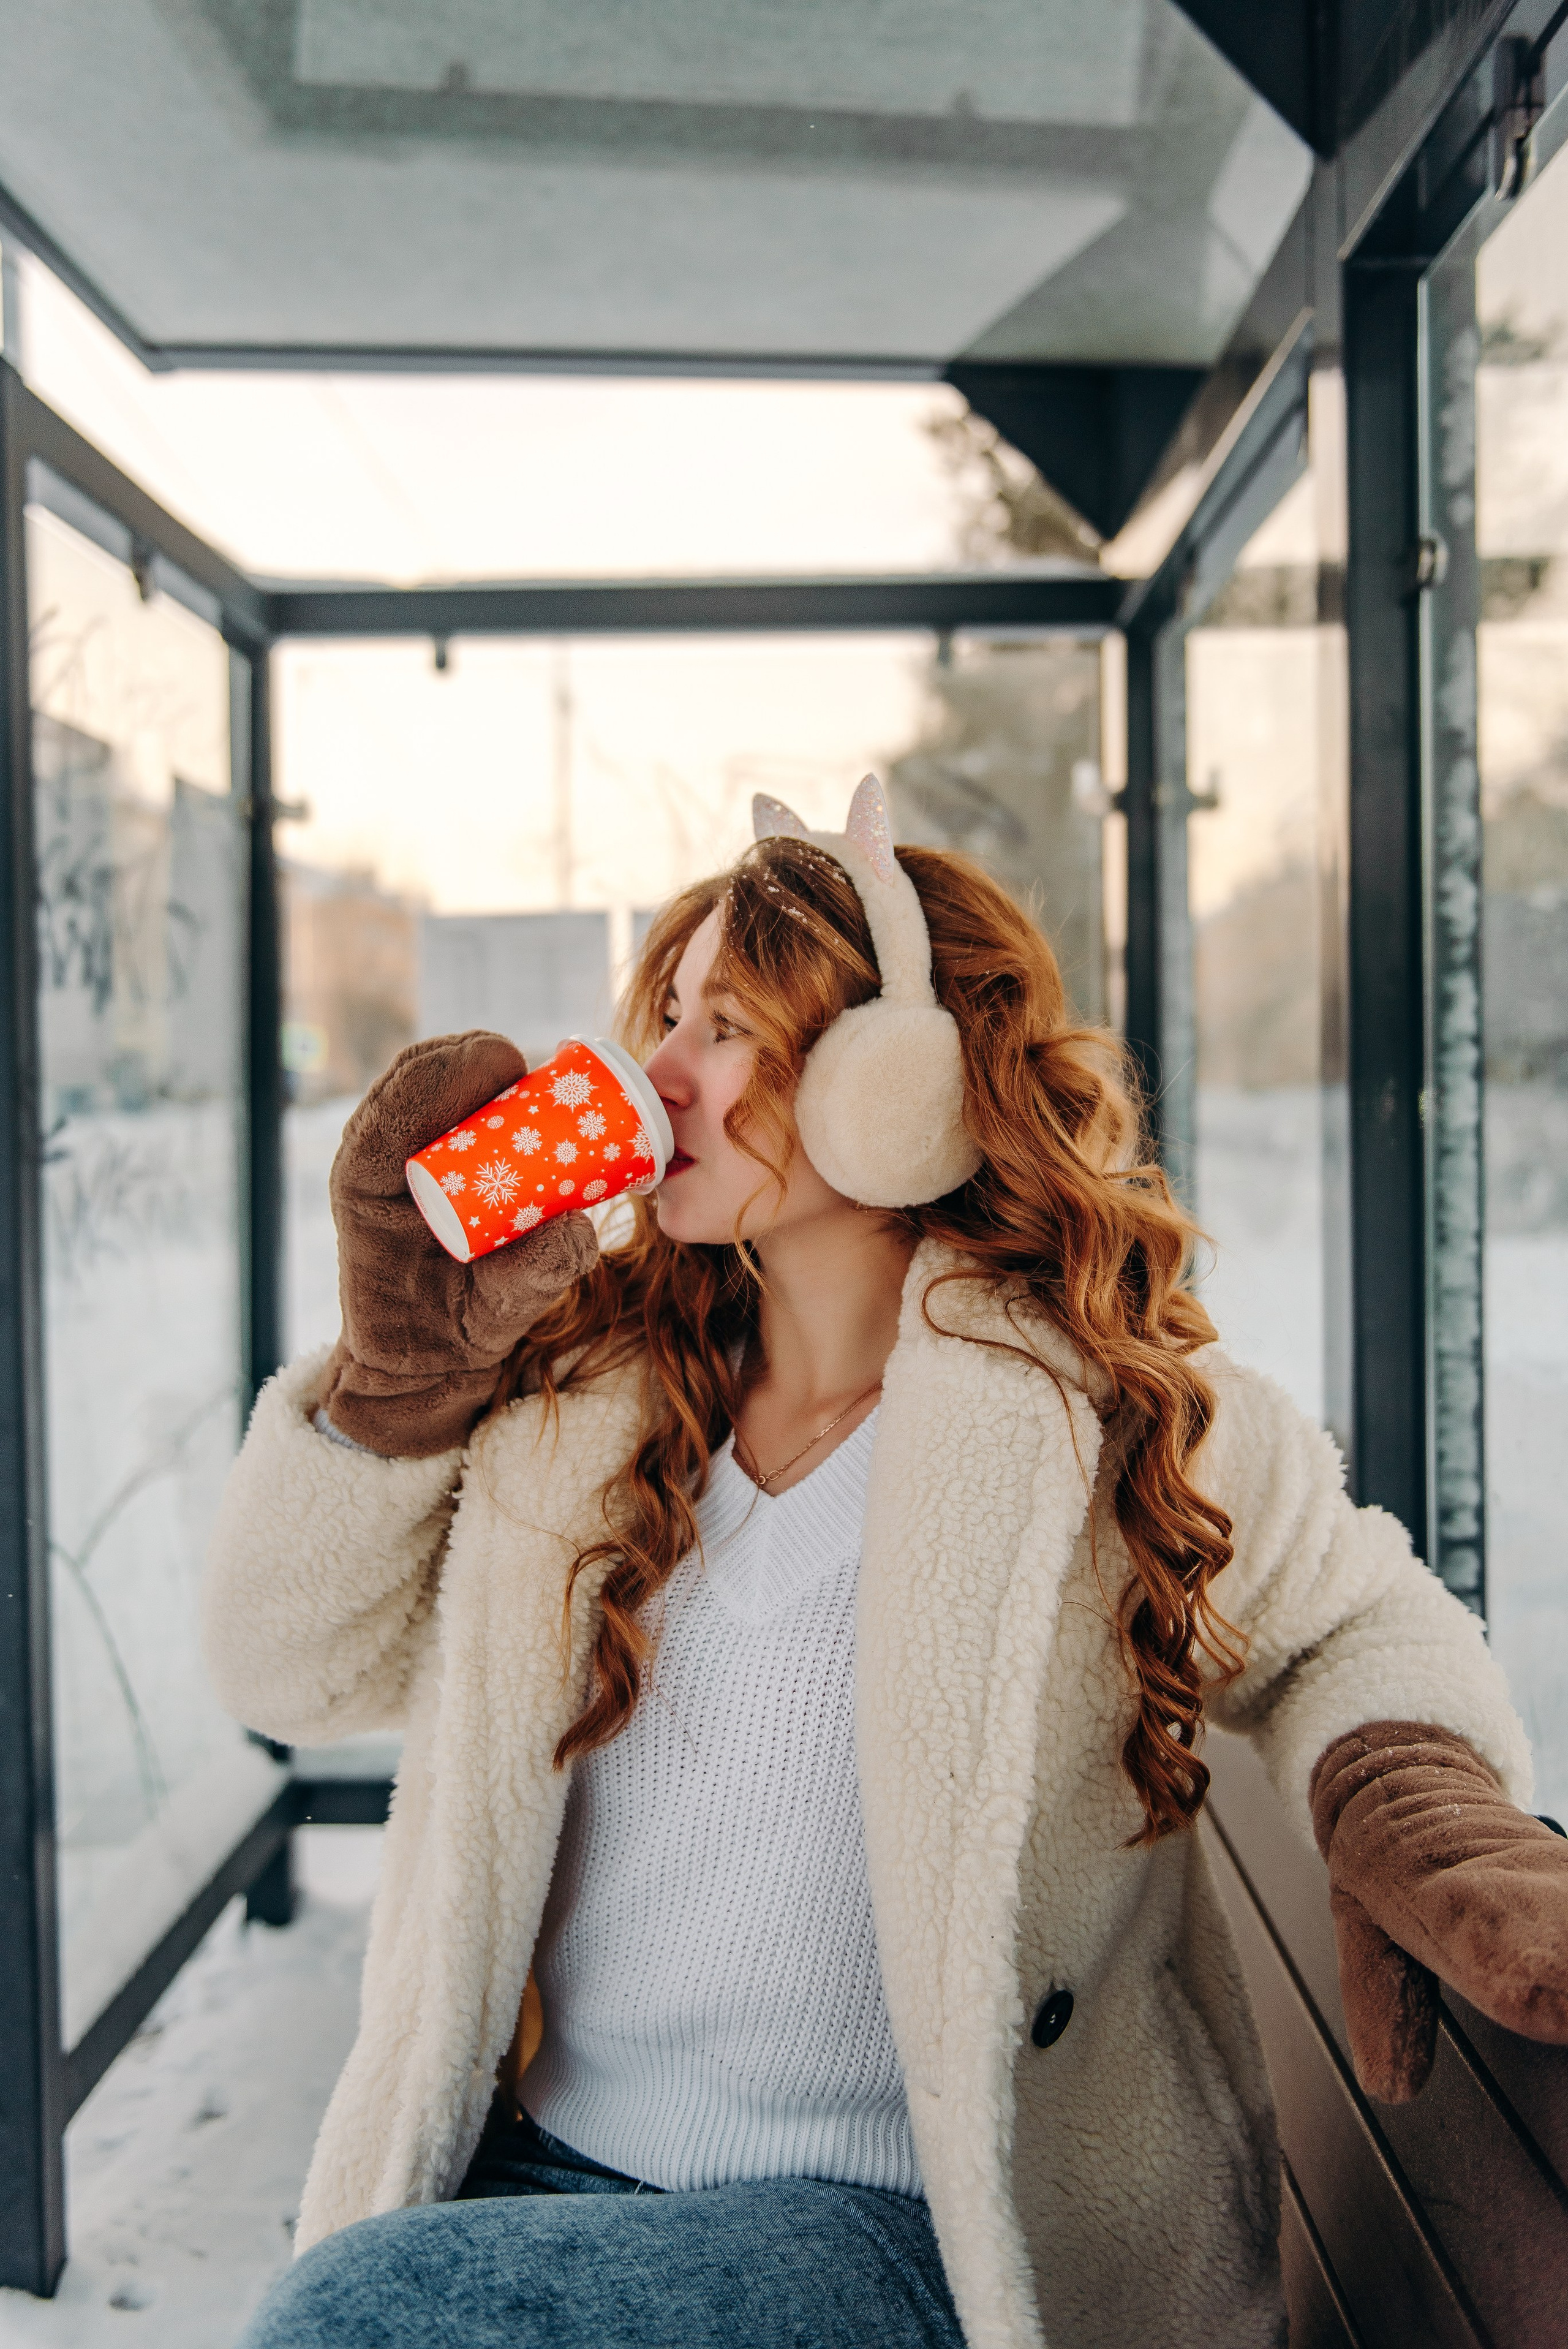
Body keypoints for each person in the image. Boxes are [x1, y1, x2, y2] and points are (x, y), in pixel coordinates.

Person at [209, 779, 1566, 2349]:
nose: (652, 1076)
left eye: (723, 1026)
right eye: (663, 1014)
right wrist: (395, 1388)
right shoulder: (568, 1405)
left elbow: (1353, 1620)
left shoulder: (1098, 1428)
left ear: (891, 1080)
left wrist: (1413, 1800)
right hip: (544, 2166)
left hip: (906, 2227)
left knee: (356, 2324)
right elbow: (282, 1675)